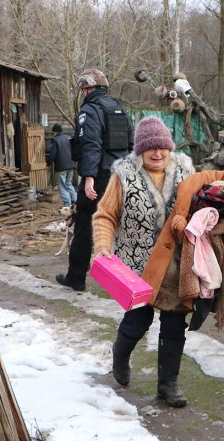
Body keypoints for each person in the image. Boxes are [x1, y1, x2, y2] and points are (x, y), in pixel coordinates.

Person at [92, 116, 194, 407]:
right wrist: (102, 246)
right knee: (139, 321)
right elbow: (105, 216)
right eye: (150, 148)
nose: (158, 153)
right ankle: (120, 355)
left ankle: (168, 385)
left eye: (163, 147)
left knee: (175, 326)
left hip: (176, 265)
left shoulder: (186, 171)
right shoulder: (124, 176)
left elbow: (200, 209)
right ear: (140, 150)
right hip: (137, 266)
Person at [55, 69, 133, 291]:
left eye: (83, 89)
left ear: (87, 89)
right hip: (121, 177)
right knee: (119, 228)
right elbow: (131, 144)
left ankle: (76, 278)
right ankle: (127, 281)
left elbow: (91, 145)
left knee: (85, 228)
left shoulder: (89, 111)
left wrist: (88, 177)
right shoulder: (119, 109)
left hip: (99, 178)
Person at [47, 123, 77, 207]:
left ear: (56, 132)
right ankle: (76, 201)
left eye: (52, 133)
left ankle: (67, 205)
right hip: (72, 165)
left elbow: (52, 154)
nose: (52, 135)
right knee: (69, 184)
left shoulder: (55, 140)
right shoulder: (69, 138)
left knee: (62, 186)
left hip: (61, 167)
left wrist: (48, 163)